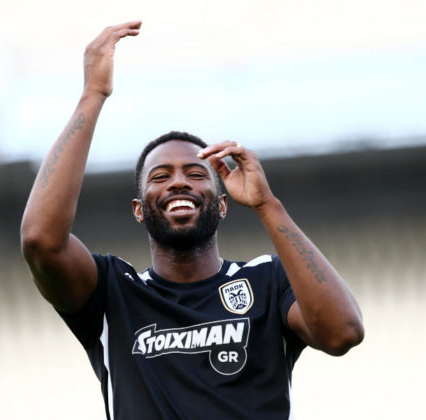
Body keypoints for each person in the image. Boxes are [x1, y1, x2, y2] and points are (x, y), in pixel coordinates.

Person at [20, 21, 364, 420]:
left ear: (222, 205)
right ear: (139, 209)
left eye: (197, 173)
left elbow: (342, 332)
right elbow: (40, 239)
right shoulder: (114, 293)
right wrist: (92, 94)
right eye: (160, 176)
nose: (179, 182)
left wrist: (267, 204)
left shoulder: (268, 281)